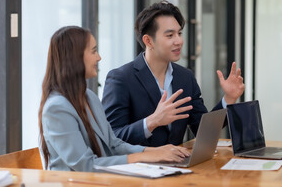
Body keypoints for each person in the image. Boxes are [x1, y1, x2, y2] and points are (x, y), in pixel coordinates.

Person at [38, 26, 189, 172]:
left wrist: (154, 151)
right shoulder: (56, 108)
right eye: (94, 51)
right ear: (74, 58)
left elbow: (114, 144)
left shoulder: (89, 97)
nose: (99, 57)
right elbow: (85, 165)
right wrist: (145, 157)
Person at [102, 1, 245, 147]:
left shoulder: (185, 77)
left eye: (179, 33)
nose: (179, 41)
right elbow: (112, 138)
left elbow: (202, 129)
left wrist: (228, 98)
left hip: (176, 165)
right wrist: (152, 121)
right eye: (170, 35)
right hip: (137, 166)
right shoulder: (121, 79)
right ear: (148, 41)